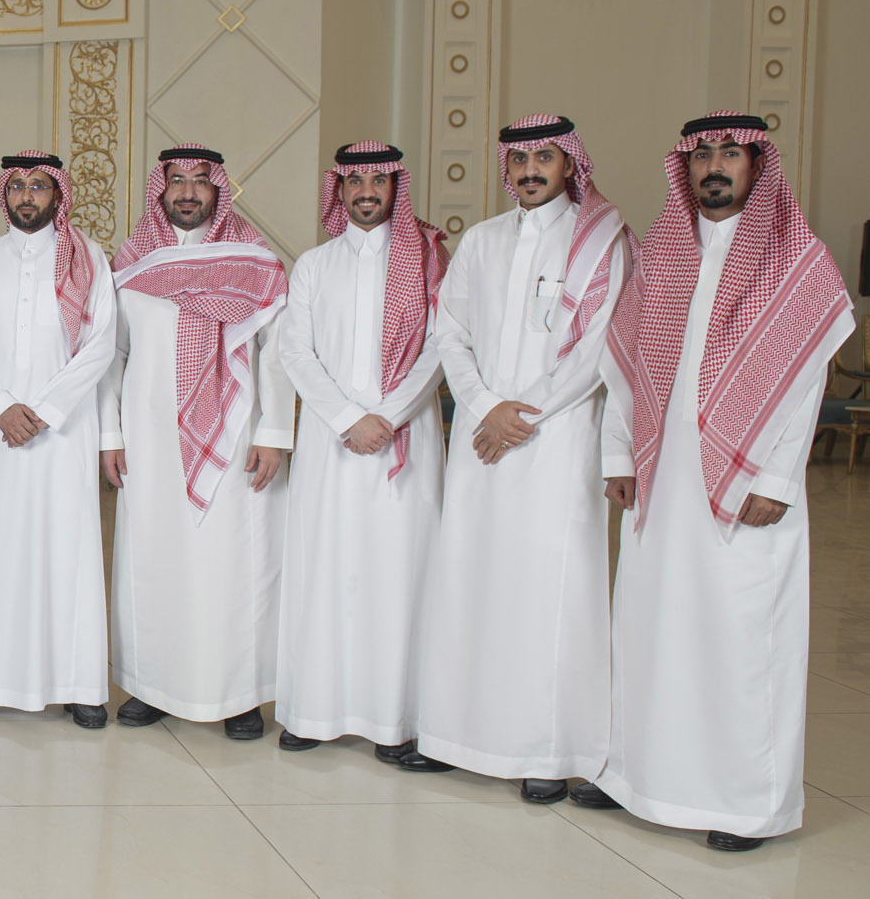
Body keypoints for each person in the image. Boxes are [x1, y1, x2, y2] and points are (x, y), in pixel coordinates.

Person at [584, 112, 853, 851]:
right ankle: (636, 776)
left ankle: (744, 804)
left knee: (739, 635)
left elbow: (806, 379)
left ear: (757, 165)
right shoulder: (665, 253)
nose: (714, 165)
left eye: (730, 153)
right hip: (662, 477)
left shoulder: (796, 258)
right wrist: (618, 457)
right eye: (702, 153)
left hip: (747, 483)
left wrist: (777, 477)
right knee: (650, 625)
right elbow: (627, 368)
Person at [397, 116, 632, 804]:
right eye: (521, 158)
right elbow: (450, 332)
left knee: (548, 591)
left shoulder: (603, 240)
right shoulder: (482, 239)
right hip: (482, 440)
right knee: (469, 581)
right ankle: (453, 737)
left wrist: (520, 416)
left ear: (570, 164)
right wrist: (483, 405)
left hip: (557, 443)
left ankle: (547, 751)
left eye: (544, 157)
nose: (531, 169)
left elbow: (602, 346)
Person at [98, 145, 291, 739]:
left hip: (236, 438)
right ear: (160, 190)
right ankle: (151, 686)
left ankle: (238, 695)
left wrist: (274, 433)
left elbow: (277, 354)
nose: (187, 192)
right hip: (150, 440)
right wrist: (110, 433)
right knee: (155, 558)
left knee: (235, 563)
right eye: (177, 180)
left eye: (200, 181)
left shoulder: (255, 262)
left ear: (219, 190)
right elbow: (112, 354)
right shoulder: (132, 262)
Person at [273, 141, 449, 762]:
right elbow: (295, 351)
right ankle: (313, 712)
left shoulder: (429, 258)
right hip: (332, 440)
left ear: (396, 186)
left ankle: (394, 721)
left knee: (400, 574)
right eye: (355, 181)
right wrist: (350, 419)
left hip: (406, 436)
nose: (366, 191)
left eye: (378, 180)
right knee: (325, 567)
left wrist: (388, 416)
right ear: (339, 190)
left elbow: (443, 346)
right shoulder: (313, 265)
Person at [0, 151, 118, 728]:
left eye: (38, 185)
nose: (26, 195)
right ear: (5, 193)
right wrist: (1, 408)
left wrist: (42, 411)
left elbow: (100, 345)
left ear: (57, 193)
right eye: (17, 185)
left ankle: (78, 684)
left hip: (62, 434)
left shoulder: (89, 259)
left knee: (66, 553)